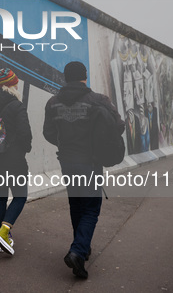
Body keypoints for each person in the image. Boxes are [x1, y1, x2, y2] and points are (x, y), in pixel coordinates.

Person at [43, 61, 124, 278]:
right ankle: (78, 251)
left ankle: (82, 246)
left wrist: (65, 144)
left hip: (67, 162)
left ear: (66, 77)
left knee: (76, 205)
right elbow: (119, 125)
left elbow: (48, 133)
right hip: (90, 162)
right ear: (84, 77)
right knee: (91, 208)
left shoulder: (53, 103)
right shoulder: (99, 100)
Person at [0, 68, 32, 255]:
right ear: (13, 84)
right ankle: (3, 232)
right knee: (20, 195)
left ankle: (3, 239)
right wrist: (25, 148)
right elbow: (25, 133)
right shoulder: (16, 106)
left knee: (0, 197)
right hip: (14, 160)